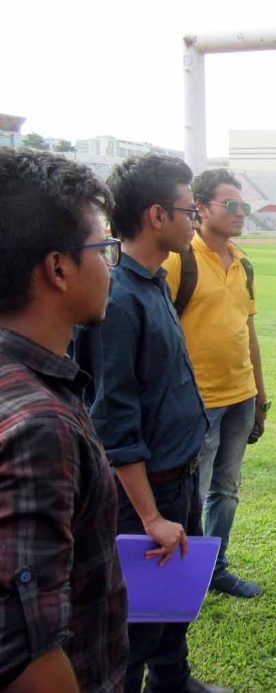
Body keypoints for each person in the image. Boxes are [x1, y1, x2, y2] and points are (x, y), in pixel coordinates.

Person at [74, 155, 230, 693]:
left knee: (174, 602)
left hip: (180, 476)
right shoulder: (118, 300)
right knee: (137, 617)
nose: (196, 220)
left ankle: (173, 679)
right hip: (149, 492)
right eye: (190, 210)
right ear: (157, 215)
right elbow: (113, 417)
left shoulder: (154, 282)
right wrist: (149, 516)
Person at [0, 149, 128, 692]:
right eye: (103, 249)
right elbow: (25, 653)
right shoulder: (40, 425)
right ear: (58, 268)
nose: (109, 266)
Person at [163, 168, 267, 598]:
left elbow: (248, 331)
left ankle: (215, 568)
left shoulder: (243, 262)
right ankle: (185, 577)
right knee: (194, 491)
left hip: (241, 397)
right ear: (201, 208)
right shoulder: (179, 260)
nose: (240, 213)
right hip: (197, 404)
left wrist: (260, 393)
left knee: (226, 489)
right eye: (231, 205)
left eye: (243, 206)